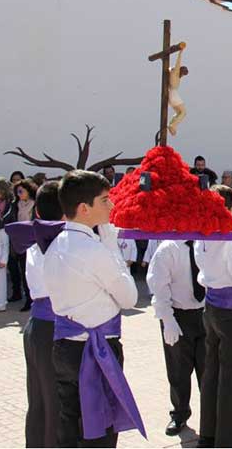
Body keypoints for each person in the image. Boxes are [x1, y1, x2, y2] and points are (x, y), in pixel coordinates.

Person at [44, 170, 143, 446]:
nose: (111, 206)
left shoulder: (56, 245)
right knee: (99, 429)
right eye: (104, 200)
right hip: (95, 351)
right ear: (84, 209)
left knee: (70, 423)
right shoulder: (94, 250)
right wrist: (111, 247)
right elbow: (130, 298)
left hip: (64, 346)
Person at [194, 185, 232, 447]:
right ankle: (227, 439)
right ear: (230, 209)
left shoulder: (203, 233)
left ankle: (208, 434)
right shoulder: (229, 237)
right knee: (231, 376)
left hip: (211, 306)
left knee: (211, 371)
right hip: (231, 309)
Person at [147, 236, 206, 437]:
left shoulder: (206, 243)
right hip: (178, 315)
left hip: (206, 313)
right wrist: (167, 319)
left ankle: (211, 417)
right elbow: (158, 286)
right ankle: (180, 413)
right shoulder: (167, 248)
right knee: (178, 370)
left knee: (208, 370)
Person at [22, 181, 64, 447]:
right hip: (54, 328)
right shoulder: (59, 245)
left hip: (37, 327)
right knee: (55, 401)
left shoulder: (36, 241)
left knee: (39, 400)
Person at [15, 179, 38, 311]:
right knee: (23, 270)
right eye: (17, 192)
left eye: (21, 191)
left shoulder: (35, 204)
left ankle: (34, 297)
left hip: (33, 240)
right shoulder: (16, 205)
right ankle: (28, 298)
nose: (19, 194)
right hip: (20, 239)